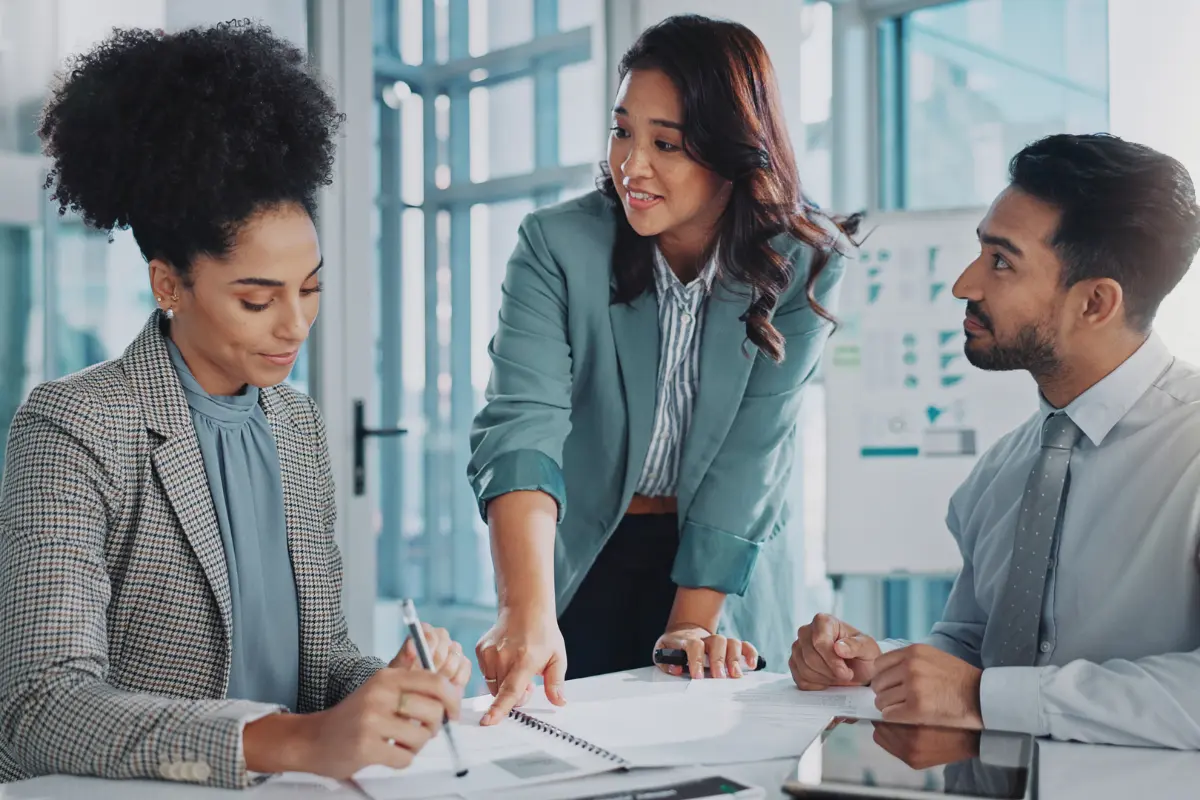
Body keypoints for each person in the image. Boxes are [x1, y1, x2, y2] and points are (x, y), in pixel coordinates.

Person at [0, 22, 471, 789]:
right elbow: (40, 707)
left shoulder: (295, 424)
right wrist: (291, 742)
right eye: (258, 299)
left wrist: (389, 687)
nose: (295, 325)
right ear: (168, 285)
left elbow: (317, 669)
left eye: (311, 288)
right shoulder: (74, 426)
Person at [468, 13, 858, 725]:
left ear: (734, 153)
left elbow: (753, 453)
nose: (632, 166)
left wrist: (691, 626)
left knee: (711, 748)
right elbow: (523, 426)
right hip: (581, 550)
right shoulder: (556, 244)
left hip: (717, 562)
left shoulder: (805, 261)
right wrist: (524, 611)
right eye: (623, 131)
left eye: (666, 144)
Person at [789, 133, 1200, 749]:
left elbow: (984, 690)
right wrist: (879, 667)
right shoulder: (1005, 469)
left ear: (1095, 302)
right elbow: (973, 645)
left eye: (1001, 262)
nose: (963, 285)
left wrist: (979, 696)